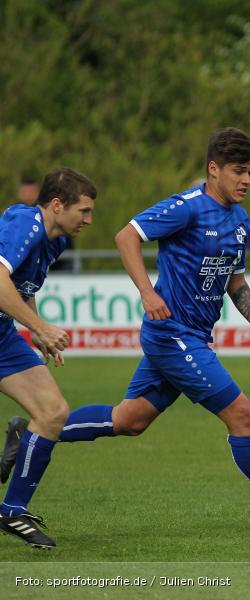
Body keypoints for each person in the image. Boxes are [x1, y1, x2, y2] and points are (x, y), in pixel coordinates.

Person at [7, 129, 250, 536]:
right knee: (242, 414)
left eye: (249, 171)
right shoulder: (188, 208)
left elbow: (236, 280)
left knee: (129, 420)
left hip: (192, 335)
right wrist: (146, 292)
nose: (246, 180)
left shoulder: (241, 219)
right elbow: (126, 236)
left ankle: (30, 434)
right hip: (172, 334)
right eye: (237, 171)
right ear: (213, 170)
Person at [0, 167, 96, 548]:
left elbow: (22, 288)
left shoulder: (56, 241)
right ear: (57, 205)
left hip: (3, 337)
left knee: (53, 411)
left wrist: (37, 330)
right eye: (83, 211)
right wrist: (38, 327)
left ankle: (12, 511)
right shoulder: (26, 223)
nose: (88, 220)